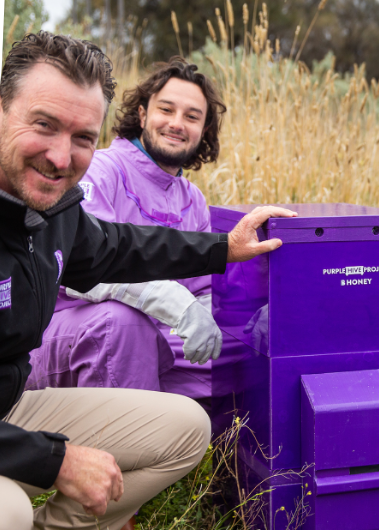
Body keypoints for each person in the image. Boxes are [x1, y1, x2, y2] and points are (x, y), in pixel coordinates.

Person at [0, 32, 295, 530]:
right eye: (43, 125)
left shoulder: (53, 208)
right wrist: (55, 460)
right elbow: (96, 286)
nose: (59, 156)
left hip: (11, 405)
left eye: (81, 138)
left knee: (186, 428)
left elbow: (123, 247)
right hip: (77, 342)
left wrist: (224, 249)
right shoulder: (100, 175)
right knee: (8, 512)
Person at [26, 57, 226, 408]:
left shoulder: (193, 200)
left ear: (204, 129)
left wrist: (249, 322)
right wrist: (176, 304)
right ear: (144, 114)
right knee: (122, 324)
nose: (177, 124)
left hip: (155, 343)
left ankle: (216, 453)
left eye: (192, 116)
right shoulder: (102, 171)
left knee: (240, 354)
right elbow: (84, 272)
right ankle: (113, 453)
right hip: (65, 334)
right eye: (166, 110)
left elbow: (204, 293)